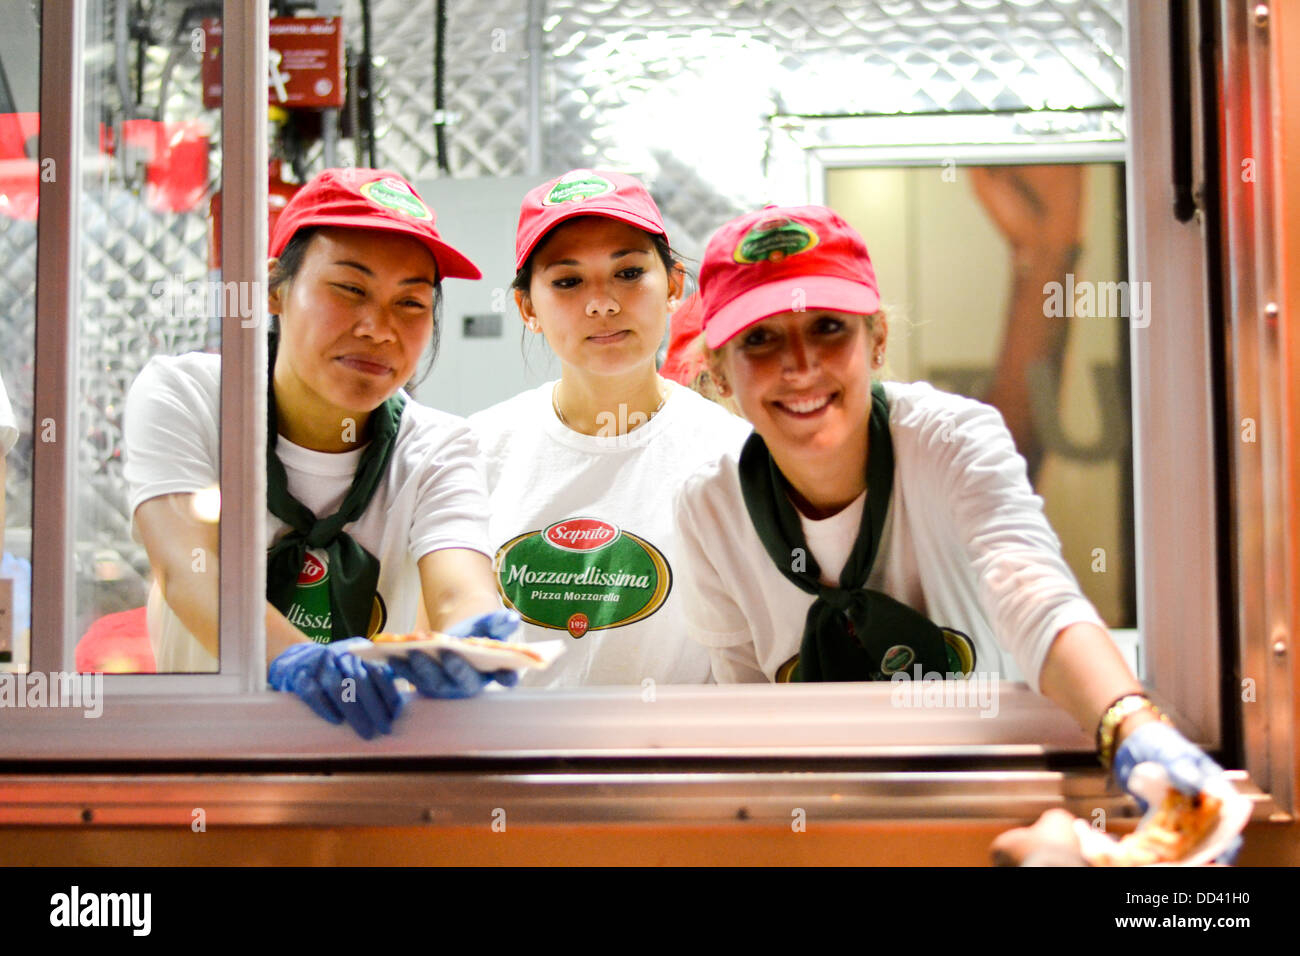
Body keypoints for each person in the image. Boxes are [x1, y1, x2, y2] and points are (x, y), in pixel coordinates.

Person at [674, 204, 1233, 816]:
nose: (800, 364)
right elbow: (751, 712)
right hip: (824, 813)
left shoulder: (952, 441)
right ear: (721, 373)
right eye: (760, 338)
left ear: (877, 340)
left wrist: (1132, 727)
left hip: (995, 790)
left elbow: (1032, 590)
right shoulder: (710, 509)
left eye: (828, 326)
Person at [124, 168, 519, 737]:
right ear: (274, 289)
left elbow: (459, 585)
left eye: (410, 302)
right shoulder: (189, 397)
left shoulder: (437, 446)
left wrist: (473, 636)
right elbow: (189, 570)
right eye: (350, 289)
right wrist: (292, 657)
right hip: (205, 759)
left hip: (368, 762)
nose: (379, 328)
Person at [468, 169, 751, 686]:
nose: (602, 303)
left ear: (673, 286)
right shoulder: (476, 452)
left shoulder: (733, 457)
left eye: (627, 272)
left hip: (670, 761)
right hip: (511, 760)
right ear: (527, 308)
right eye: (567, 281)